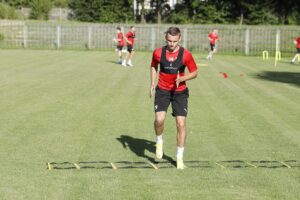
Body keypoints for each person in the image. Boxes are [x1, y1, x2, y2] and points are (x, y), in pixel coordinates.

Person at [150, 27, 198, 169]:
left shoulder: (186, 55)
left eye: (175, 41)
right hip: (163, 90)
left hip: (180, 92)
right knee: (159, 120)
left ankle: (179, 158)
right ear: (166, 38)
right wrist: (152, 83)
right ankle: (159, 142)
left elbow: (195, 72)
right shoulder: (158, 52)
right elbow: (153, 66)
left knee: (181, 124)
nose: (171, 44)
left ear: (180, 39)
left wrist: (182, 77)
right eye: (169, 41)